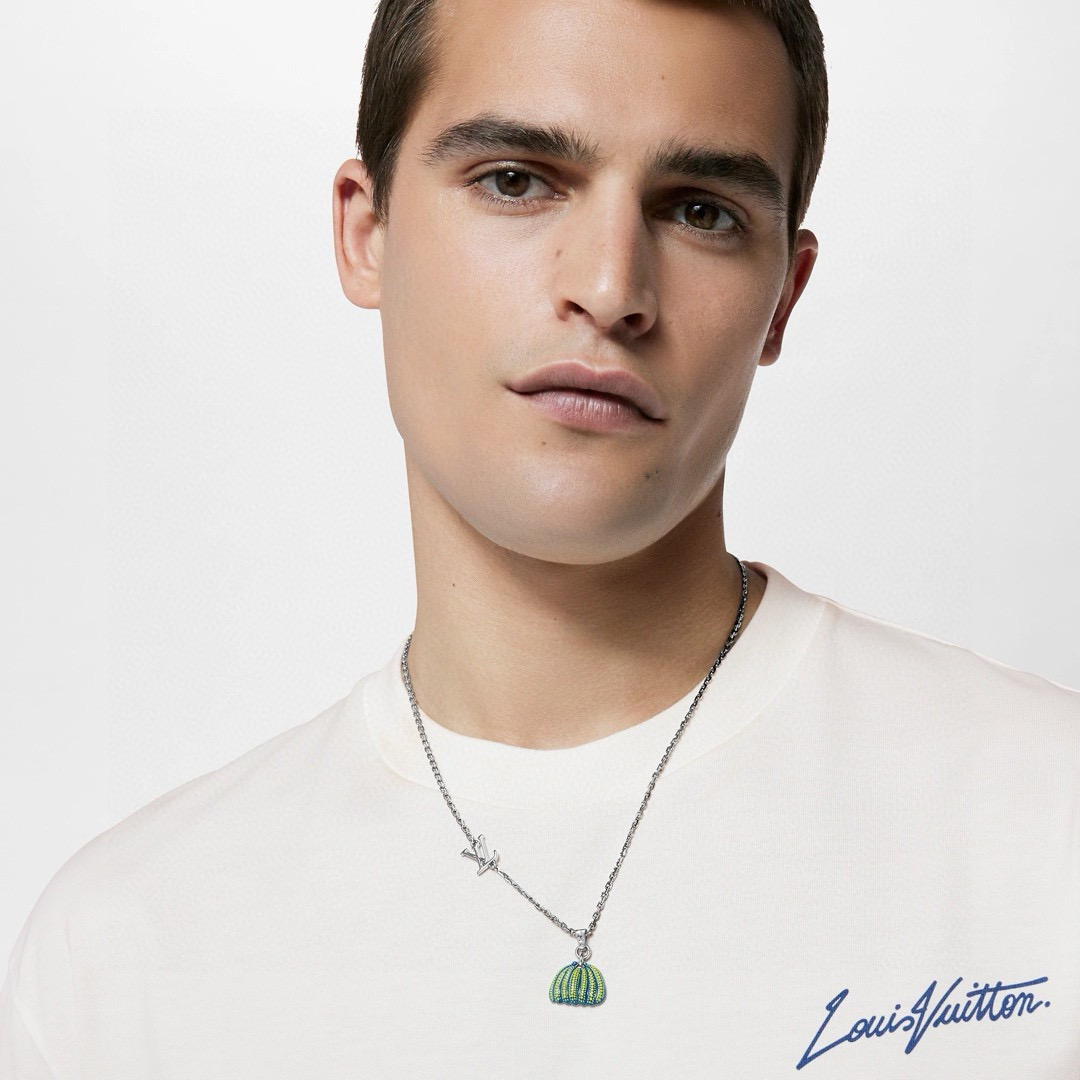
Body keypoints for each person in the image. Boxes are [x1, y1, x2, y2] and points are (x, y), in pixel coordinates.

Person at [2, 0, 1077, 1075]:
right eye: (515, 181)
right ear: (366, 234)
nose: (609, 290)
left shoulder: (1044, 824)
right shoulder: (125, 954)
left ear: (782, 302)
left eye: (700, 211)